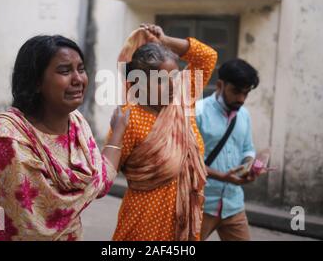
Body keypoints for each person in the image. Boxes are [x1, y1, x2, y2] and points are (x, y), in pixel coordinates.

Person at [0, 35, 129, 241]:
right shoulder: (4, 138)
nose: (78, 79)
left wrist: (118, 130)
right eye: (65, 71)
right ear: (36, 81)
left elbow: (99, 182)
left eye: (81, 69)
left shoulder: (77, 125)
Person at [111, 24, 217, 241]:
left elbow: (207, 57)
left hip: (184, 218)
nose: (171, 85)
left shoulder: (183, 100)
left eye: (174, 77)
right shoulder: (129, 118)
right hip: (144, 222)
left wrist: (164, 39)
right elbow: (105, 173)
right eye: (161, 80)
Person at [196, 58, 265, 241]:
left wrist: (249, 167)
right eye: (236, 91)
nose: (241, 99)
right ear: (220, 85)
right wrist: (223, 177)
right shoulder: (198, 112)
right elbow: (189, 163)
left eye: (246, 93)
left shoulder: (244, 115)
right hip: (200, 204)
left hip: (233, 205)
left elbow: (247, 148)